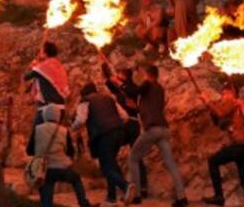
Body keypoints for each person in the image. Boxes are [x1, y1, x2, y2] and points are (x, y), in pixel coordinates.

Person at [126, 64, 188, 206]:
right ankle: (182, 197)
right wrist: (136, 107)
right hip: (163, 129)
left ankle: (136, 196)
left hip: (152, 129)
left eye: (145, 75)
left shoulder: (148, 83)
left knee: (133, 157)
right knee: (171, 163)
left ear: (149, 74)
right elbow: (151, 107)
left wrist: (121, 84)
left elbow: (134, 92)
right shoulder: (160, 89)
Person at [200, 84, 244, 207]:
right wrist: (208, 105)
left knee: (213, 161)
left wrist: (207, 101)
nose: (222, 97)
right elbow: (219, 120)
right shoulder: (236, 105)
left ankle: (219, 196)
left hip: (240, 147)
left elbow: (221, 113)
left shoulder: (232, 101)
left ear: (230, 93)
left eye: (223, 94)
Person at [72, 82, 128, 204]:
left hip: (103, 135)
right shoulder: (109, 98)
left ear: (84, 93)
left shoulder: (85, 101)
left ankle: (126, 187)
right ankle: (111, 197)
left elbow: (81, 120)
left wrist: (73, 127)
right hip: (119, 133)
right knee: (111, 164)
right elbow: (125, 116)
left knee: (106, 167)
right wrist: (116, 126)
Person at [27, 103, 91, 207]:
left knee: (46, 191)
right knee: (76, 179)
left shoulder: (37, 129)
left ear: (44, 115)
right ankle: (83, 203)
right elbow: (70, 151)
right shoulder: (64, 131)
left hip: (44, 169)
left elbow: (29, 151)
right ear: (58, 116)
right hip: (62, 168)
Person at [103, 64, 148, 198]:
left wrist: (120, 83)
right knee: (112, 152)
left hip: (132, 124)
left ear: (126, 76)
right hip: (123, 124)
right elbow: (109, 82)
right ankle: (123, 183)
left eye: (121, 74)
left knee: (136, 155)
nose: (119, 76)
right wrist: (105, 70)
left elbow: (130, 92)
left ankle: (142, 186)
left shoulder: (132, 88)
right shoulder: (119, 89)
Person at [24, 42, 69, 111]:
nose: (40, 53)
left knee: (38, 122)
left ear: (45, 53)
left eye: (42, 51)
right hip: (61, 106)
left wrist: (34, 66)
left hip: (47, 107)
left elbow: (26, 77)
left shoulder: (43, 67)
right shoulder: (59, 66)